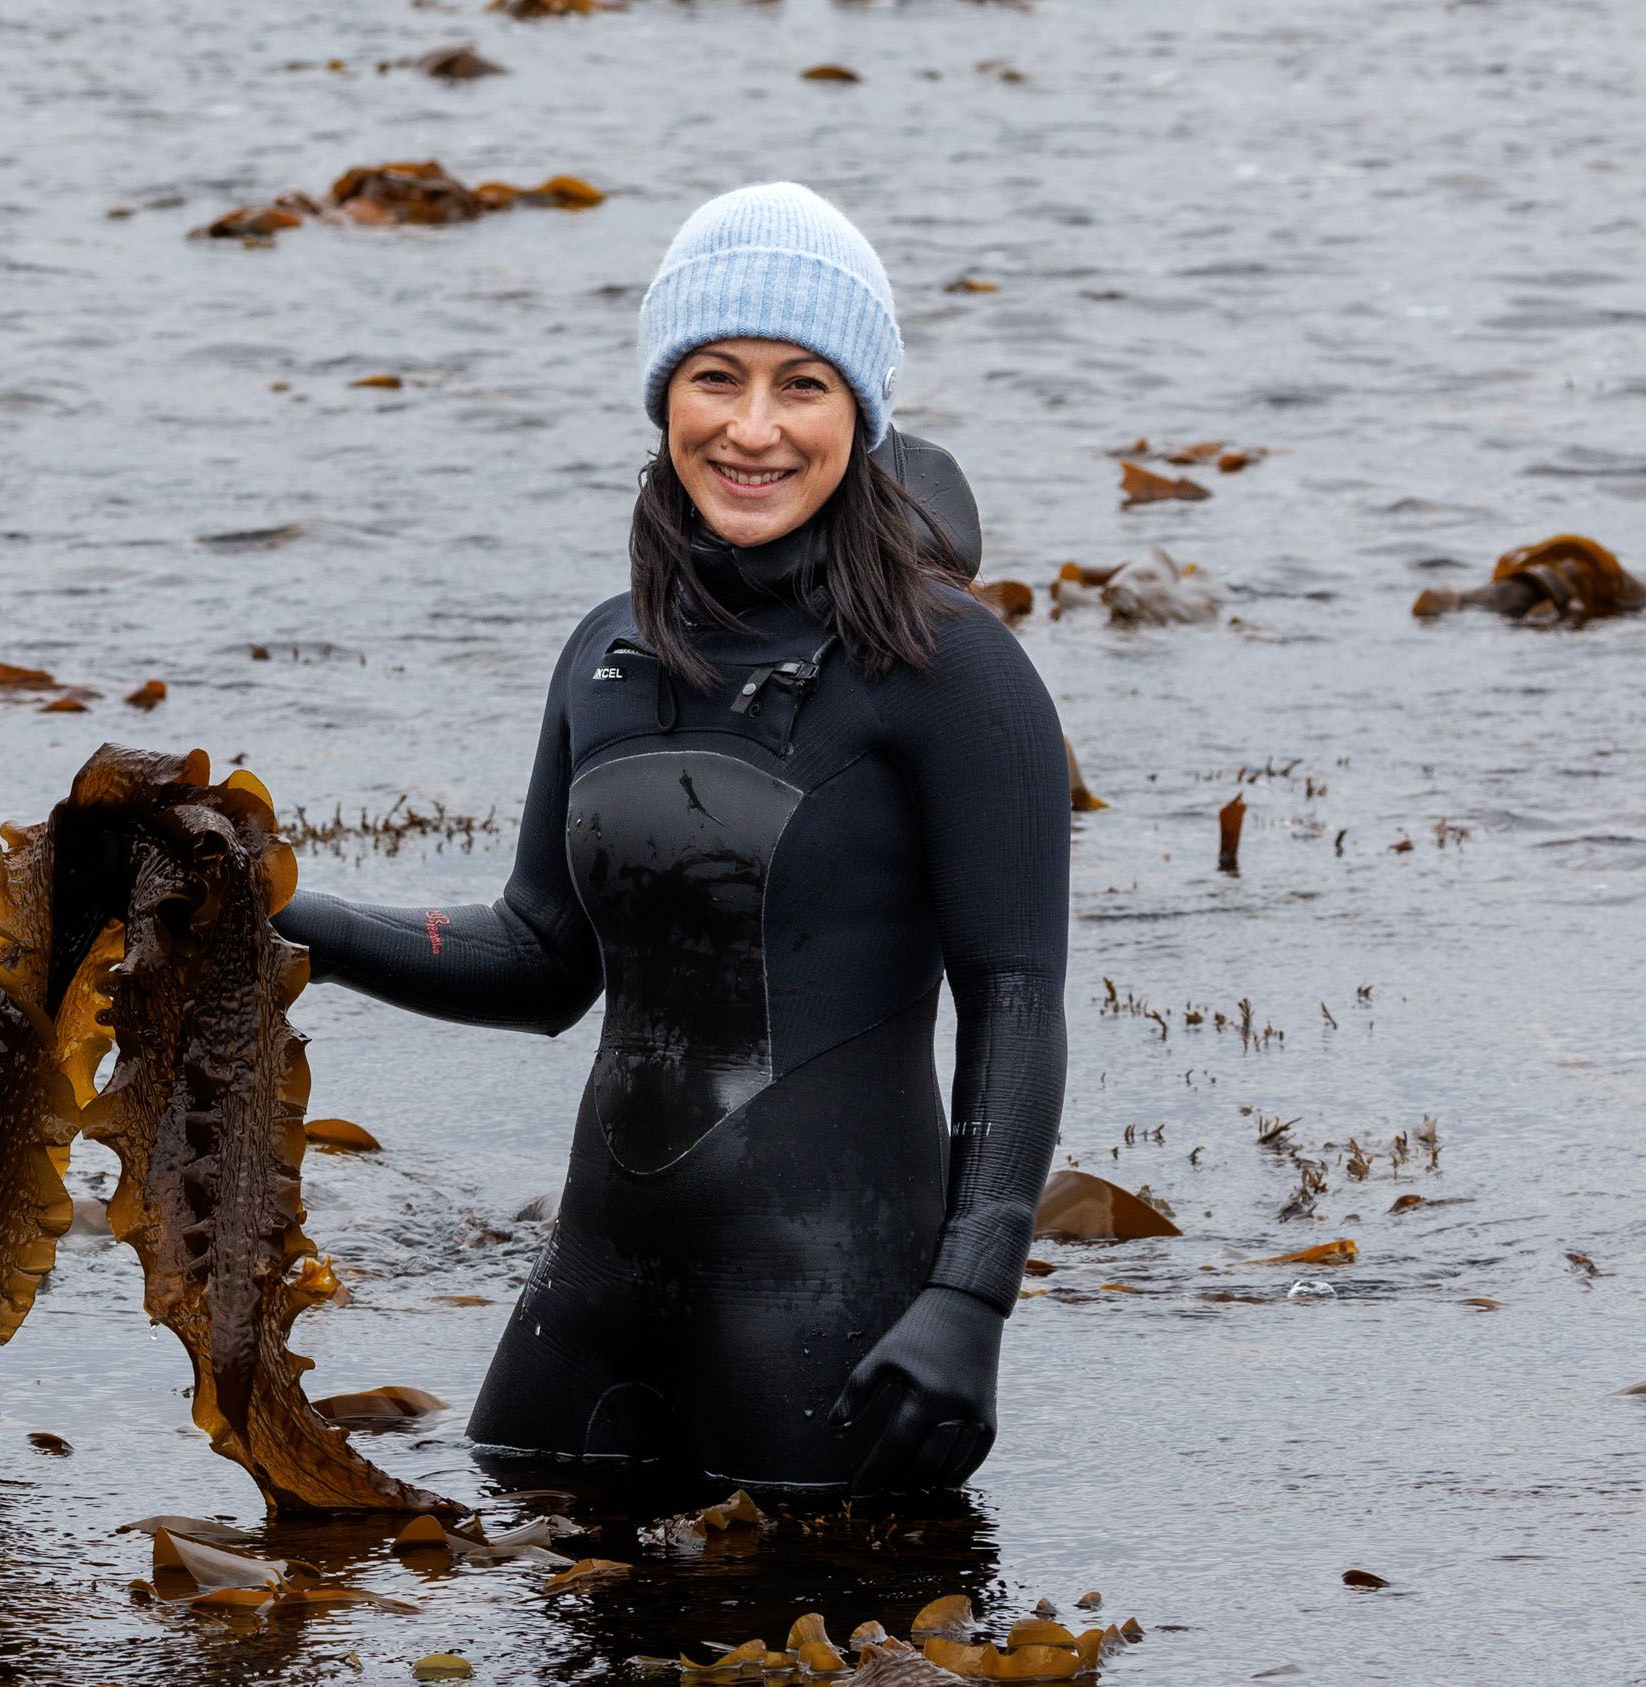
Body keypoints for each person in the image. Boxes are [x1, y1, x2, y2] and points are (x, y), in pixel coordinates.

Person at [276, 182, 1069, 1495]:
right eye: (717, 377)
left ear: (860, 415)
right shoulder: (606, 651)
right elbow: (541, 955)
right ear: (666, 400)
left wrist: (970, 1301)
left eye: (801, 385)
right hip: (588, 1308)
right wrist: (297, 923)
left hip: (827, 1323)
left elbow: (1016, 998)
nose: (753, 428)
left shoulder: (951, 673)